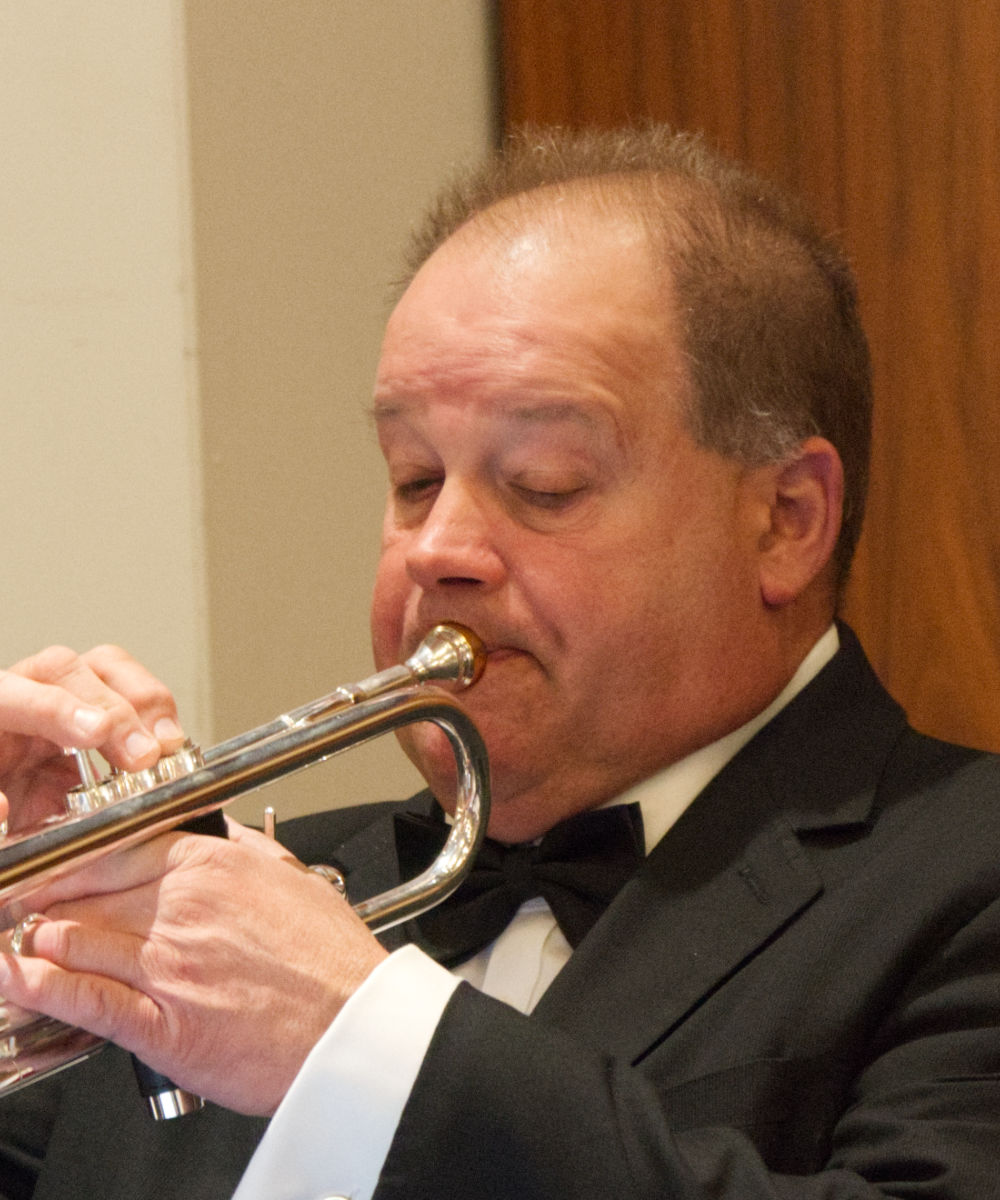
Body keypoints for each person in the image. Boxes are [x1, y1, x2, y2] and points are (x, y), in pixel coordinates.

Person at [0, 125, 998, 1200]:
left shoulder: (961, 874)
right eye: (415, 477)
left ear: (785, 522)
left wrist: (365, 1044)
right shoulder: (276, 896)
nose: (437, 549)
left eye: (544, 480)